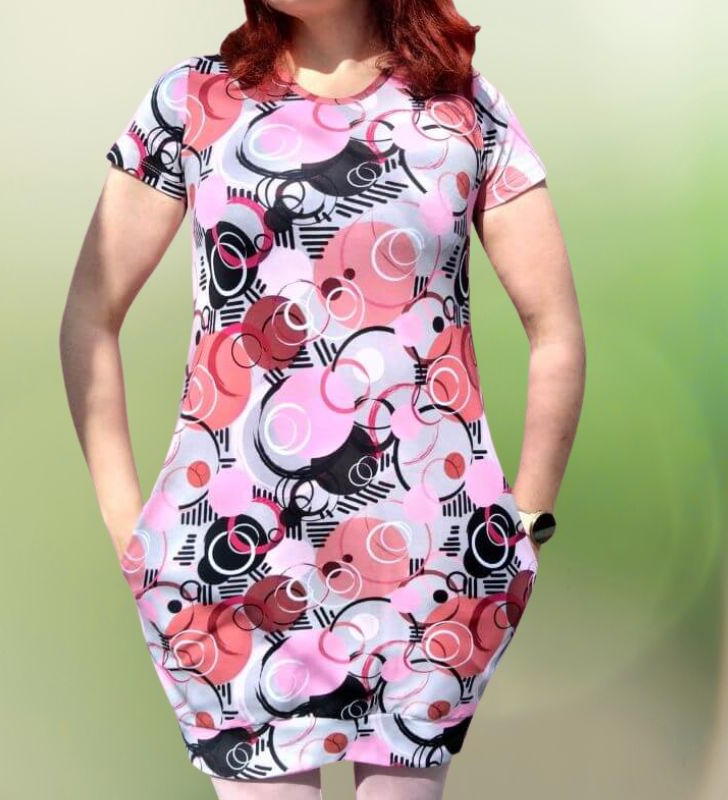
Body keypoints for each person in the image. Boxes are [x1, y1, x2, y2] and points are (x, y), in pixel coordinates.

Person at [59, 0, 585, 797]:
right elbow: (89, 317)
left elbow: (556, 332)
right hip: (231, 564)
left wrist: (527, 525)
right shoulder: (192, 103)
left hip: (432, 569)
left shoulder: (463, 110)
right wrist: (129, 527)